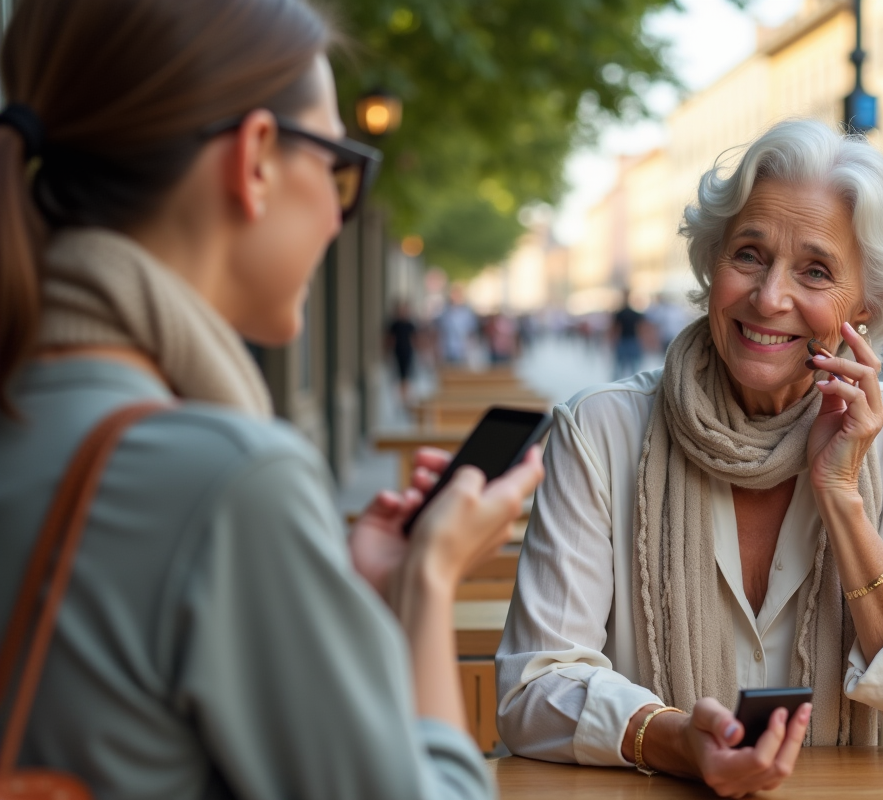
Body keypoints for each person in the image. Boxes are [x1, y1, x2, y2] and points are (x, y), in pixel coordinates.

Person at [0, 2, 543, 797]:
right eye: (336, 166)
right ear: (256, 158)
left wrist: (324, 593)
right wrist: (429, 579)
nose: (335, 215)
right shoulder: (227, 479)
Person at [496, 119, 883, 798]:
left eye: (815, 271)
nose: (769, 297)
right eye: (750, 255)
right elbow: (533, 686)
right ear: (713, 264)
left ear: (868, 306)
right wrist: (672, 739)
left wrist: (843, 500)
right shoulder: (601, 430)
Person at [385, 300, 419, 404]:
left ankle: (405, 397)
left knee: (406, 375)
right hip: (397, 353)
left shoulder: (410, 324)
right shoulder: (395, 325)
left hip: (408, 352)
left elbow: (415, 339)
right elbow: (390, 339)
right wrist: (387, 353)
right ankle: (402, 398)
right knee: (399, 376)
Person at [435, 285, 478, 366]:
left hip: (463, 349)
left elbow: (471, 331)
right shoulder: (445, 312)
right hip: (447, 348)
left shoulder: (467, 313)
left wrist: (470, 347)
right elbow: (440, 330)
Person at [611, 290, 646, 378]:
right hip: (626, 340)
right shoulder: (622, 313)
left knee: (626, 366)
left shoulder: (622, 313)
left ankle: (619, 381)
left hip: (629, 340)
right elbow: (616, 329)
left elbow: (640, 328)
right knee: (627, 365)